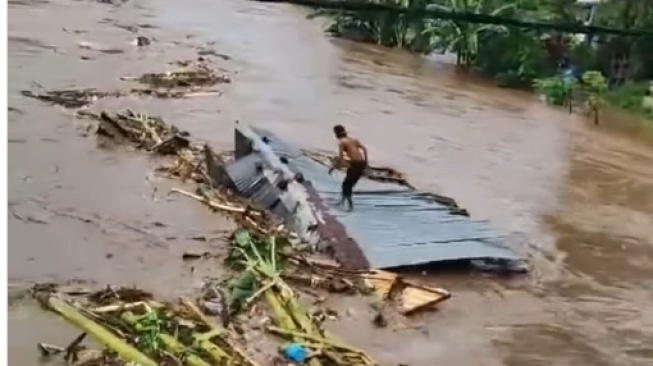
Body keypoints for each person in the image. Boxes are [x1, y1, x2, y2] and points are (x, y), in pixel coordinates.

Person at [328, 125, 368, 211]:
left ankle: (350, 206)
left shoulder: (342, 142)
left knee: (346, 186)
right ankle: (342, 201)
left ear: (337, 133)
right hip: (360, 164)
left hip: (355, 164)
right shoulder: (353, 140)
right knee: (348, 184)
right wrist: (366, 161)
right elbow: (364, 149)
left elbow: (341, 157)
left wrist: (334, 167)